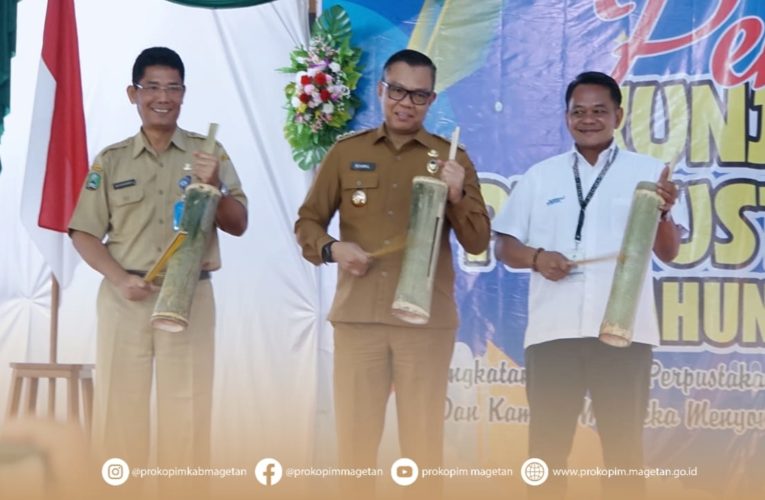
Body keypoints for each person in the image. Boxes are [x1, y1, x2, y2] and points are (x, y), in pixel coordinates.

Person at [295, 49, 490, 496]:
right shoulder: (348, 153)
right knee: (355, 450)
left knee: (423, 450)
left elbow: (478, 242)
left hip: (424, 324)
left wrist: (458, 193)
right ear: (381, 89)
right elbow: (307, 223)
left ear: (432, 100)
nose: (406, 102)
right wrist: (333, 248)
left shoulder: (452, 158)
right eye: (397, 90)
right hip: (359, 319)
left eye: (418, 95)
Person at [493, 71, 680, 499]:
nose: (588, 119)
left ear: (618, 115)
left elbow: (668, 253)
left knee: (623, 450)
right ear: (566, 117)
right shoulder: (540, 176)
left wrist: (664, 212)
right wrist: (538, 259)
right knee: (545, 450)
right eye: (579, 111)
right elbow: (505, 246)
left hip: (623, 335)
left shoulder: (650, 173)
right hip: (553, 332)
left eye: (599, 111)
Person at [68, 47, 247, 469]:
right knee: (118, 419)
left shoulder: (209, 152)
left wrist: (216, 186)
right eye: (152, 87)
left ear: (184, 94)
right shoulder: (111, 161)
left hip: (189, 299)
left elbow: (239, 223)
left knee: (186, 420)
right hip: (125, 299)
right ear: (133, 93)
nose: (162, 97)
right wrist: (118, 279)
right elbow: (84, 233)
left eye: (172, 87)